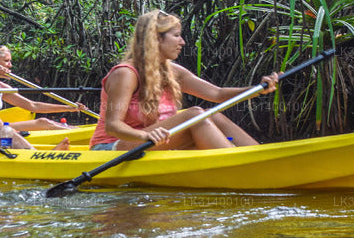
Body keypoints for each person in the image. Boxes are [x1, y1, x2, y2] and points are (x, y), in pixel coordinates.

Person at [90, 10, 281, 151]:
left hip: (152, 142)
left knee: (210, 114)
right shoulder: (125, 74)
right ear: (156, 39)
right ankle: (240, 165)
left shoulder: (173, 71)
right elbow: (113, 126)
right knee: (194, 114)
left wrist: (257, 89)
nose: (182, 42)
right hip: (109, 148)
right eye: (176, 36)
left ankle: (260, 155)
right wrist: (145, 135)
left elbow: (217, 94)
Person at [0, 44, 81, 132]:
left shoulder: (1, 87)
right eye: (6, 61)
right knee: (44, 123)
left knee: (43, 122)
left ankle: (74, 130)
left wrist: (69, 108)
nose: (10, 65)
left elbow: (33, 106)